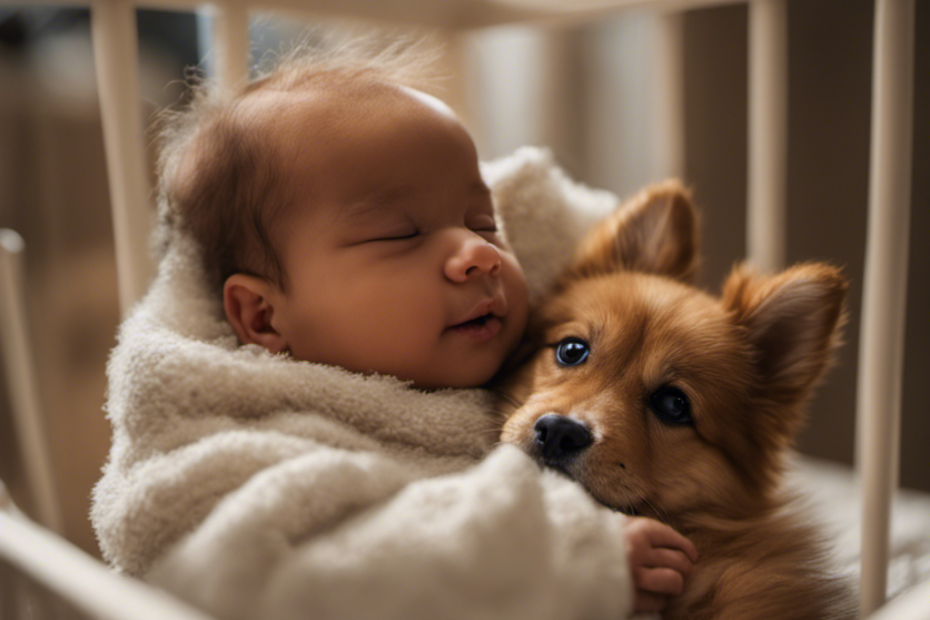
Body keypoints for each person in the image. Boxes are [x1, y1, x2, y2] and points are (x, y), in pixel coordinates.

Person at [92, 40, 696, 620]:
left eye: (485, 224)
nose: (477, 253)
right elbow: (275, 577)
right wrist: (564, 556)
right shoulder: (252, 430)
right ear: (263, 317)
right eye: (401, 235)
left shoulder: (510, 366)